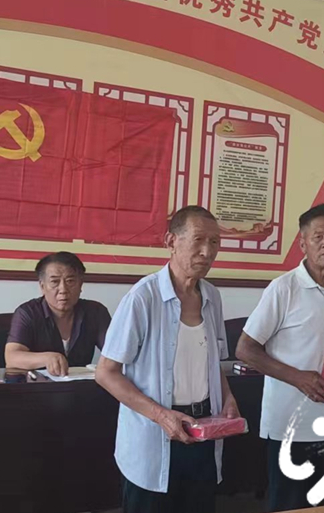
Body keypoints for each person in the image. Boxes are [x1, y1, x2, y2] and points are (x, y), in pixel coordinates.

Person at [95, 206, 240, 513]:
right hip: (153, 437)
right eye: (198, 240)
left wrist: (227, 398)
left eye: (214, 242)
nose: (207, 251)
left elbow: (212, 362)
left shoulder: (212, 297)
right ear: (171, 241)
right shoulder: (142, 298)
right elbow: (106, 372)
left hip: (204, 432)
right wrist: (161, 416)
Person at [236, 203, 324, 512]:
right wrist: (298, 378)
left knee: (323, 504)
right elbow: (245, 349)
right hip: (290, 423)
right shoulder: (283, 288)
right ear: (303, 243)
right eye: (318, 236)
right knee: (289, 505)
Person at [5, 251, 110, 376]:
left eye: (70, 281)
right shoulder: (27, 313)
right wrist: (47, 358)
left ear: (80, 284)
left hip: (82, 384)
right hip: (38, 385)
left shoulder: (96, 312)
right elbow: (11, 357)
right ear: (42, 286)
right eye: (54, 282)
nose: (63, 290)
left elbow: (116, 353)